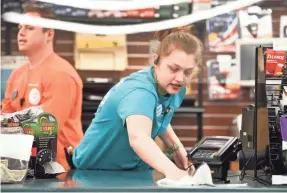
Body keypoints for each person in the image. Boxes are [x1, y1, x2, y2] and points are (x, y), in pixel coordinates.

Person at [72, 26, 203, 181]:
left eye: (188, 72)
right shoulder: (140, 92)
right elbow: (139, 138)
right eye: (174, 69)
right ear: (156, 60)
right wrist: (174, 173)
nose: (180, 78)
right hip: (95, 175)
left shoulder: (173, 86)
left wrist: (177, 149)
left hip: (133, 171)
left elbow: (158, 115)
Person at [1, 5, 84, 171]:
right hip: (25, 165)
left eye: (30, 28)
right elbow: (5, 118)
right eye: (20, 28)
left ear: (49, 34)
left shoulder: (61, 74)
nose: (21, 33)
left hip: (59, 171)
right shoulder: (17, 74)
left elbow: (47, 130)